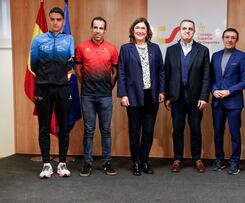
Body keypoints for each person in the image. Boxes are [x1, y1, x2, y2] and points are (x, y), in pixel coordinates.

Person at [118, 17, 165, 176]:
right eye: (137, 28)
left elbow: (161, 71)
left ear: (147, 32)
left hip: (151, 95)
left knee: (148, 130)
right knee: (134, 131)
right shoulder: (126, 49)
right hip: (133, 96)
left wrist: (162, 91)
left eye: (143, 28)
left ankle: (145, 161)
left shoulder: (155, 48)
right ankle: (136, 162)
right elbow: (122, 73)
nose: (140, 31)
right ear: (133, 31)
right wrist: (123, 94)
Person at [30, 7, 74, 178]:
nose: (55, 22)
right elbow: (34, 65)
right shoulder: (38, 40)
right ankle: (47, 164)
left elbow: (71, 62)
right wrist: (47, 77)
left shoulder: (69, 39)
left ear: (63, 21)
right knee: (44, 126)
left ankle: (62, 163)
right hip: (43, 88)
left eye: (59, 19)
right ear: (49, 20)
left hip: (63, 88)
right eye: (53, 19)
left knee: (64, 126)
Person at [164, 19, 210, 173]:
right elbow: (167, 75)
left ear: (194, 31)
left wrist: (204, 97)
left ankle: (197, 159)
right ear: (179, 31)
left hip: (196, 98)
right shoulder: (171, 50)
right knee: (177, 129)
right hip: (176, 98)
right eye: (184, 28)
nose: (187, 31)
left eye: (190, 28)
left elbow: (206, 76)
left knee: (195, 129)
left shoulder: (203, 50)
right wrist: (168, 97)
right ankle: (177, 159)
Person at [75, 17, 118, 177]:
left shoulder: (112, 49)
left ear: (104, 30)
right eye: (95, 27)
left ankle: (107, 162)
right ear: (91, 28)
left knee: (106, 130)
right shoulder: (81, 47)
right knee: (89, 129)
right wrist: (84, 84)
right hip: (88, 95)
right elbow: (78, 69)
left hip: (105, 96)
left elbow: (115, 72)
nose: (98, 30)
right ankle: (87, 163)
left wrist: (109, 87)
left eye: (101, 28)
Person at [210, 28, 245, 175]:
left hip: (234, 102)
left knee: (234, 133)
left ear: (236, 40)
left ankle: (234, 162)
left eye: (233, 37)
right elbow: (211, 78)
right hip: (217, 101)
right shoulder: (215, 56)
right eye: (227, 37)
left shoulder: (242, 56)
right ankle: (219, 160)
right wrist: (214, 90)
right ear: (222, 39)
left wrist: (229, 91)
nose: (230, 40)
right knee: (217, 133)